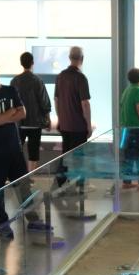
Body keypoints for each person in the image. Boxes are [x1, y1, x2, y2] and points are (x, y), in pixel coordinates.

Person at [0, 63, 51, 239]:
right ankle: (3, 225)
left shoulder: (10, 90)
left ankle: (33, 220)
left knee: (23, 185)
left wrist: (3, 116)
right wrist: (11, 112)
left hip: (14, 148)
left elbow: (23, 113)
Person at [53, 45, 91, 188]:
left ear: (69, 58)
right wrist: (88, 125)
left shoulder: (60, 76)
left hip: (65, 125)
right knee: (79, 157)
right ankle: (80, 185)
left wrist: (60, 119)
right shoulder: (81, 77)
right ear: (82, 59)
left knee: (66, 154)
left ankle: (61, 183)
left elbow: (56, 100)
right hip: (78, 125)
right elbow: (85, 103)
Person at [11, 52, 51, 173]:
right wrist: (48, 119)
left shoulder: (15, 81)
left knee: (17, 150)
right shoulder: (38, 80)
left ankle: (18, 175)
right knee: (33, 152)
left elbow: (11, 102)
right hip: (35, 123)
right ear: (32, 63)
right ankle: (29, 176)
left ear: (21, 63)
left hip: (19, 122)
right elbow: (44, 102)